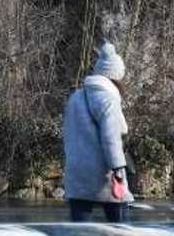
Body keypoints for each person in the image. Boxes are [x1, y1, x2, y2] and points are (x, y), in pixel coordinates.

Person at [62, 42, 134, 222]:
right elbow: (111, 139)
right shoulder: (109, 99)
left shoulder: (75, 97)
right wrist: (118, 168)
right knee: (121, 228)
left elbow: (68, 136)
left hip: (76, 173)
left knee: (79, 232)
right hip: (103, 174)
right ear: (115, 76)